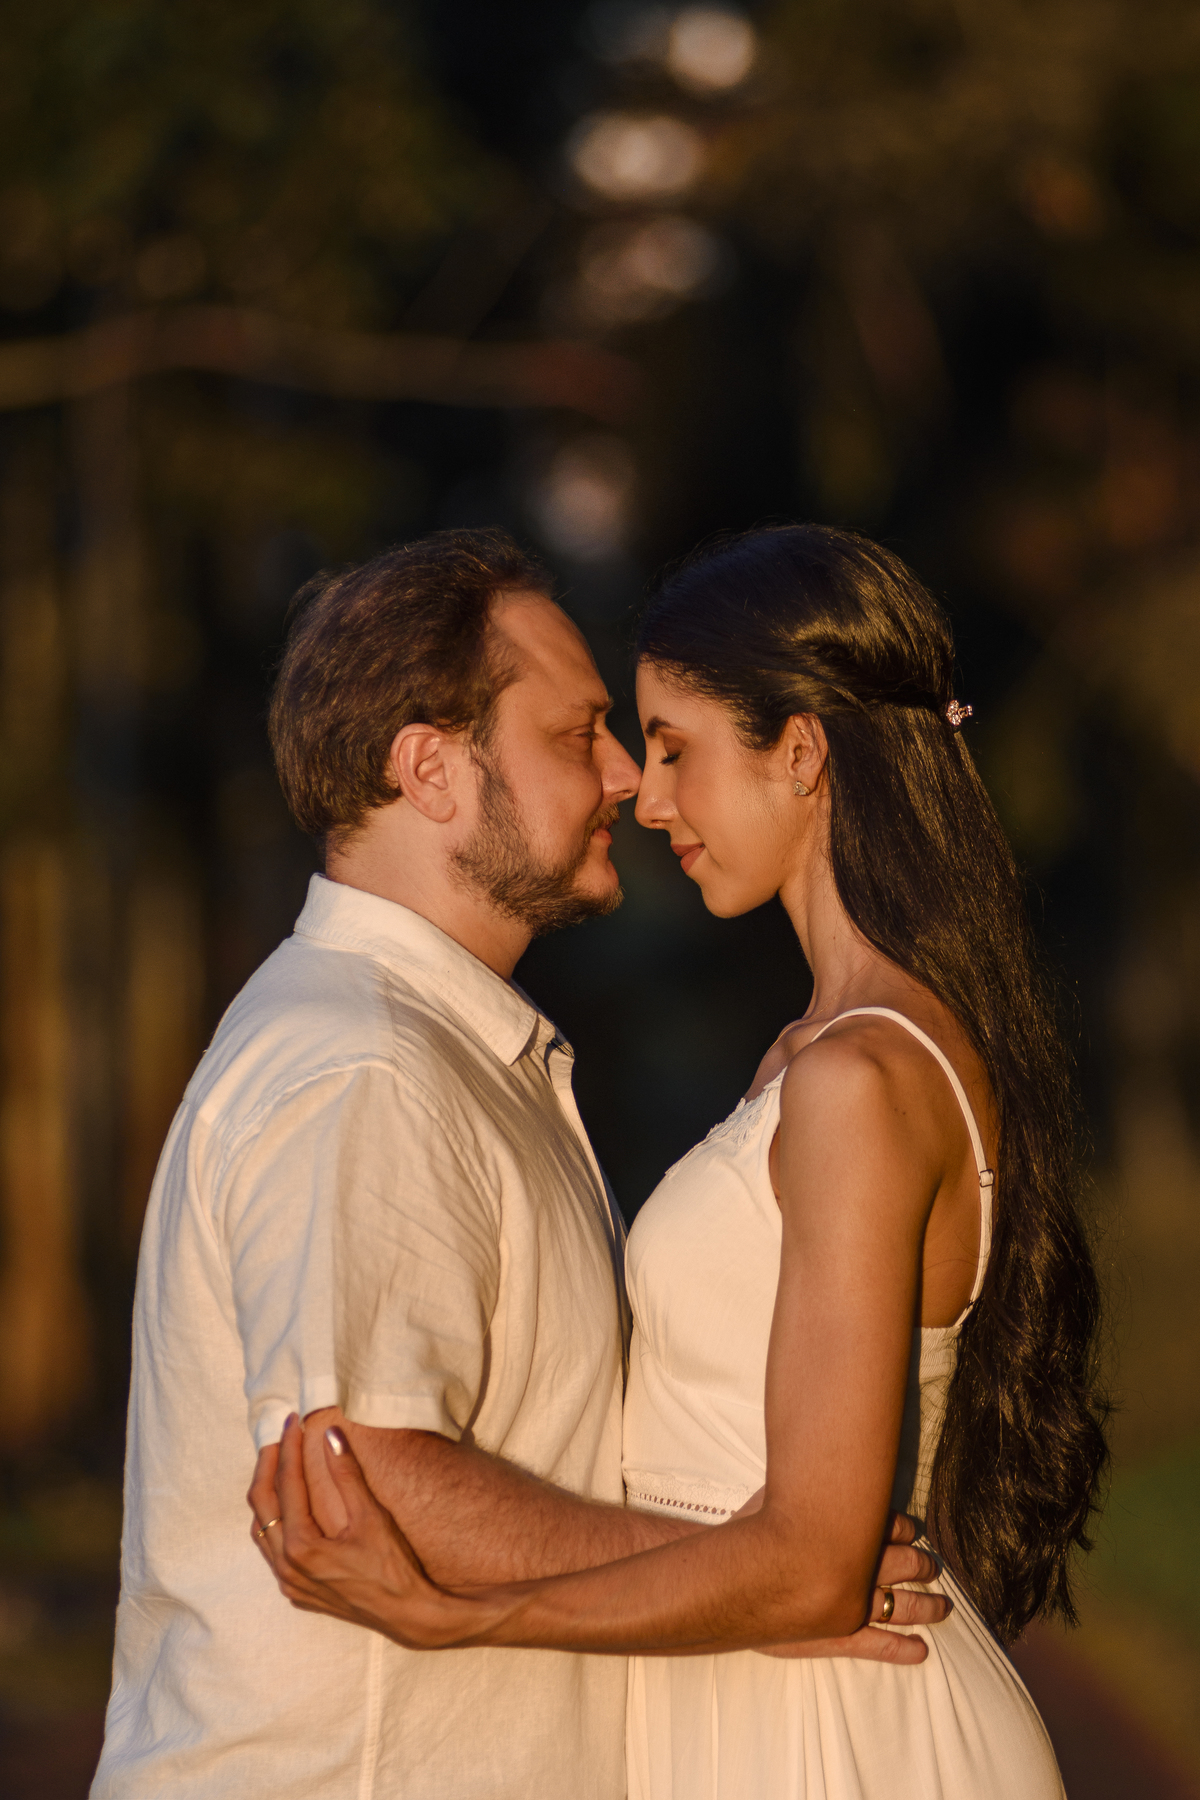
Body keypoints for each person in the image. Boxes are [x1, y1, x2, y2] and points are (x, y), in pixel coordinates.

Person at [256, 525, 1111, 1799]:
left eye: (674, 748)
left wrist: (457, 1614)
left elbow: (813, 1562)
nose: (647, 799)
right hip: (748, 1698)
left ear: (801, 754)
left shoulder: (859, 1078)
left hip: (830, 1733)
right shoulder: (818, 1055)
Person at [92, 528, 943, 1800]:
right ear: (430, 770)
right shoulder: (363, 1064)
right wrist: (762, 1579)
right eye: (577, 734)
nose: (625, 778)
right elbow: (370, 1476)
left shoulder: (449, 1052)